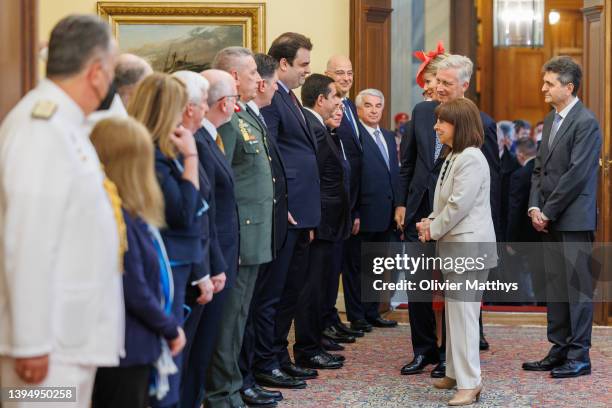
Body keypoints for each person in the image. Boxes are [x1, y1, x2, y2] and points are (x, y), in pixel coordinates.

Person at [0, 15, 124, 408]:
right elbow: (28, 239)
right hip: (47, 348)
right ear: (96, 72)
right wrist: (30, 342)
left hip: (68, 338)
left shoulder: (66, 125)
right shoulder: (42, 128)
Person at [396, 54, 500, 378]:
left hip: (460, 227)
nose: (437, 88)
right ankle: (424, 350)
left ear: (464, 85)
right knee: (419, 286)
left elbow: (490, 183)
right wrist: (402, 204)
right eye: (436, 81)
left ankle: (451, 358)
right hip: (420, 216)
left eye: (445, 82)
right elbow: (408, 164)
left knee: (460, 294)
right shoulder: (422, 112)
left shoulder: (482, 123)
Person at [129, 73, 214, 407]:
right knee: (168, 358)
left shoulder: (165, 147)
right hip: (169, 263)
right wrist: (191, 158)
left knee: (176, 359)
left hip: (181, 260)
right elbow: (184, 211)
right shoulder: (153, 154)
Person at [90, 117, 186, 408]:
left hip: (134, 342)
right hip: (125, 346)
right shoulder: (117, 219)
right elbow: (134, 289)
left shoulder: (129, 213)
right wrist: (169, 326)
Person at [205, 46, 276, 408]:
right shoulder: (229, 121)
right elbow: (221, 182)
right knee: (230, 322)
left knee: (240, 319)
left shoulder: (245, 115)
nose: (259, 80)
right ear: (233, 76)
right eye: (251, 74)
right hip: (240, 235)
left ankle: (231, 387)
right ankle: (221, 393)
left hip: (254, 234)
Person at [523, 56, 601, 378]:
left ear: (568, 88)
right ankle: (559, 349)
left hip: (573, 219)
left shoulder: (586, 122)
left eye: (549, 83)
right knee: (555, 287)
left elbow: (576, 175)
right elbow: (538, 170)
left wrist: (548, 211)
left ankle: (579, 356)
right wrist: (533, 207)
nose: (543, 87)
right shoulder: (551, 118)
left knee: (577, 290)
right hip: (549, 218)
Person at [416, 98, 497, 406]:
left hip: (468, 246)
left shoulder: (472, 158)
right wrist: (431, 220)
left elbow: (458, 207)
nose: (436, 126)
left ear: (459, 126)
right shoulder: (455, 155)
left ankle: (470, 383)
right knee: (455, 313)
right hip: (455, 245)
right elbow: (444, 204)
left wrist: (431, 229)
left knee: (464, 316)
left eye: (442, 122)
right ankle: (453, 371)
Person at [256, 32, 321, 389]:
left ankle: (280, 356)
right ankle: (267, 361)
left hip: (301, 214)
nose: (307, 72)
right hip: (287, 211)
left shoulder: (289, 97)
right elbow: (270, 156)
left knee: (290, 292)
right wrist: (284, 205)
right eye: (303, 65)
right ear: (283, 64)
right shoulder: (272, 100)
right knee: (274, 294)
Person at [179, 69, 239, 408]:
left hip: (217, 256)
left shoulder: (205, 138)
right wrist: (211, 265)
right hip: (204, 259)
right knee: (193, 350)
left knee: (202, 349)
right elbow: (203, 210)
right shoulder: (194, 142)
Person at [239, 53, 288, 407]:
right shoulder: (237, 120)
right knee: (242, 315)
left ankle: (247, 375)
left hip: (265, 225)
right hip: (246, 231)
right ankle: (240, 380)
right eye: (256, 75)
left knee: (253, 308)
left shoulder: (253, 117)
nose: (262, 82)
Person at [294, 75, 348, 370]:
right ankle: (307, 348)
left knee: (320, 287)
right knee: (311, 289)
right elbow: (310, 179)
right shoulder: (312, 127)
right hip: (320, 222)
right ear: (321, 100)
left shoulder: (319, 126)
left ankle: (314, 343)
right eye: (334, 98)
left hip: (328, 223)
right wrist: (312, 221)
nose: (338, 104)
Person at [323, 55, 367, 342]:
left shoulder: (349, 106)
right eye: (340, 73)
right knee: (327, 270)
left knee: (339, 265)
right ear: (327, 75)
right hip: (333, 202)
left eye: (350, 72)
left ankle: (332, 320)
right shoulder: (326, 107)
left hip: (350, 200)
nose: (346, 78)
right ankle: (325, 320)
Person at [355, 88, 399, 329]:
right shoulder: (355, 135)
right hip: (364, 212)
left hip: (386, 212)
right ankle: (358, 316)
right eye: (368, 106)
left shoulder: (389, 136)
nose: (374, 110)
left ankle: (372, 312)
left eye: (378, 106)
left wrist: (399, 205)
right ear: (359, 109)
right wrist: (355, 212)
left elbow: (395, 173)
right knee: (359, 268)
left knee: (376, 266)